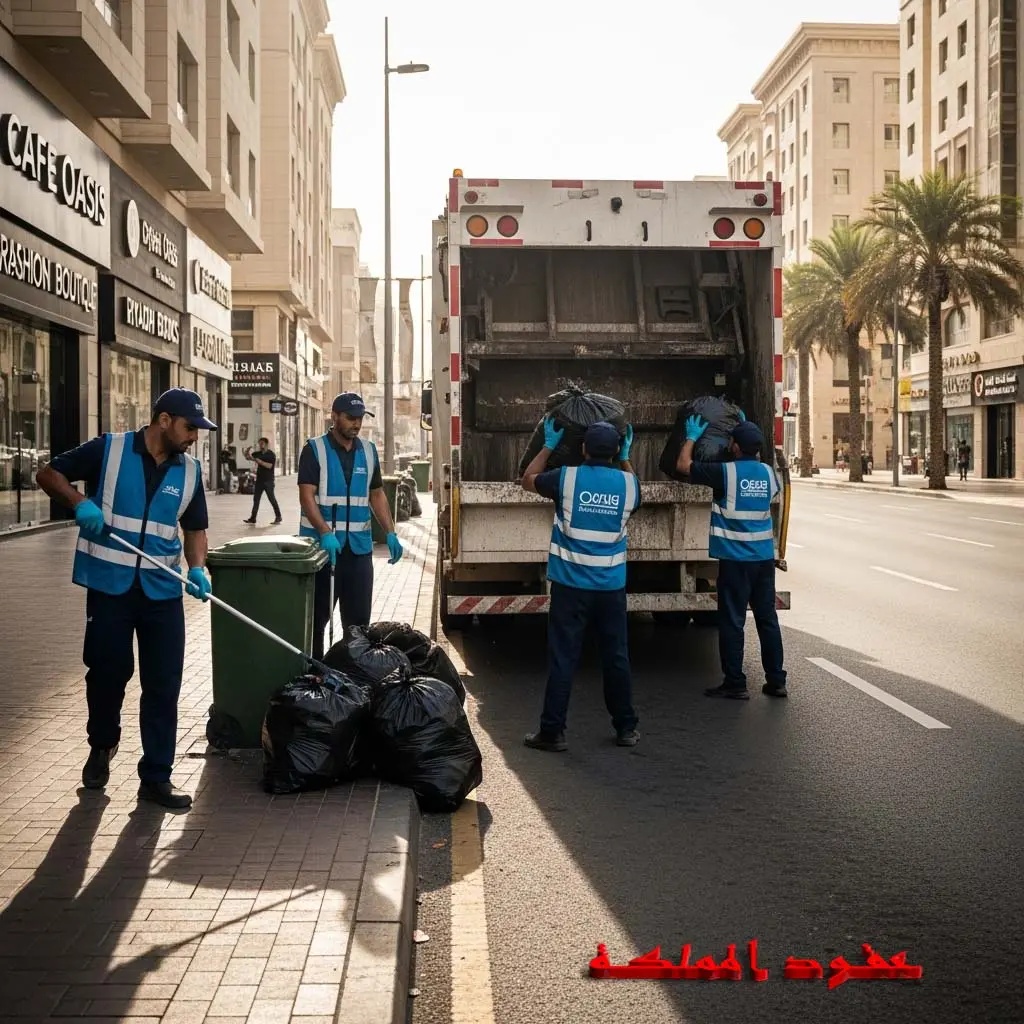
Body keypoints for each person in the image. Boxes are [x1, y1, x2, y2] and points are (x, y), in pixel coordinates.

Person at [35, 388, 218, 810]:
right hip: (110, 587)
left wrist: (196, 568)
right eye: (190, 428)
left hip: (162, 591)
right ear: (164, 420)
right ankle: (102, 744)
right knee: (107, 673)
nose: (194, 437)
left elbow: (195, 529)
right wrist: (80, 503)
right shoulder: (110, 450)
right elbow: (48, 474)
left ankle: (156, 777)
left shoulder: (190, 471)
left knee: (163, 684)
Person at [520, 418, 641, 751]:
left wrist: (547, 446)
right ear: (616, 450)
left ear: (583, 448)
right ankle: (626, 728)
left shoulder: (566, 478)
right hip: (610, 588)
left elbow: (527, 480)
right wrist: (626, 458)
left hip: (570, 586)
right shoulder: (629, 485)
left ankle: (552, 732)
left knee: (564, 658)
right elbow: (634, 487)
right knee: (616, 658)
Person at [677, 415, 788, 700]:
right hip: (763, 560)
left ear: (735, 446)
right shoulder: (769, 474)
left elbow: (683, 466)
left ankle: (735, 683)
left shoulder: (725, 473)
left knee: (732, 621)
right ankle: (776, 681)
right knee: (767, 619)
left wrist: (691, 437)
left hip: (736, 560)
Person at [298, 392, 404, 659]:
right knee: (315, 620)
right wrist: (324, 532)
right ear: (334, 417)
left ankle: (353, 674)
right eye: (350, 418)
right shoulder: (314, 450)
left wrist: (390, 533)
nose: (356, 423)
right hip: (321, 553)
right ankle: (315, 673)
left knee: (358, 625)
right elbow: (306, 495)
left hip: (358, 552)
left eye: (360, 418)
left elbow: (376, 494)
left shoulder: (368, 451)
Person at [243, 437, 282, 524]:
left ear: (266, 444)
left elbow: (269, 466)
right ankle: (253, 518)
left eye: (262, 443)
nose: (260, 445)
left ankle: (278, 517)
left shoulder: (271, 455)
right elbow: (248, 458)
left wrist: (259, 461)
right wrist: (246, 452)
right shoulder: (258, 453)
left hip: (268, 481)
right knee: (256, 499)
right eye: (259, 443)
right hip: (259, 480)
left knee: (272, 499)